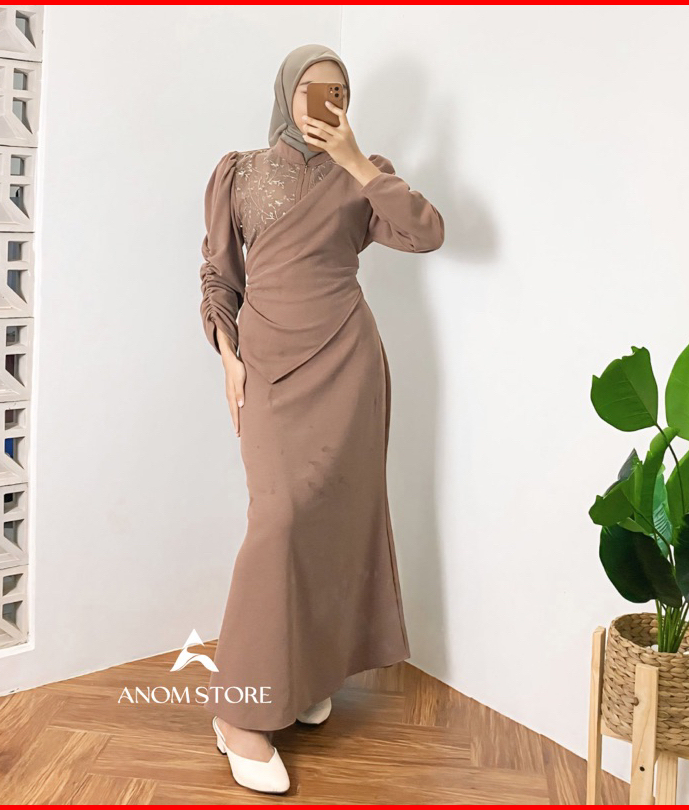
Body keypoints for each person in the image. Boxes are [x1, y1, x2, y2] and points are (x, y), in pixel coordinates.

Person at [198, 43, 445, 794]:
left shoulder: (366, 173)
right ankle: (239, 713)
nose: (325, 103)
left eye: (338, 91)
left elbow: (426, 232)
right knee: (279, 521)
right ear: (286, 94)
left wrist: (359, 162)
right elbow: (219, 275)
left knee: (334, 521)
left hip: (348, 362)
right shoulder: (239, 171)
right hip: (267, 366)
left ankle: (305, 675)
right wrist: (228, 357)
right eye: (311, 89)